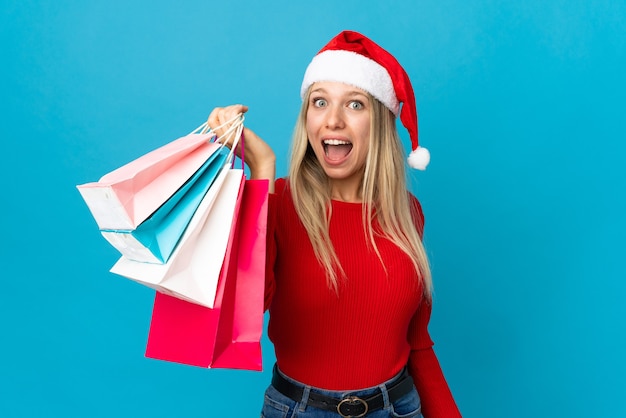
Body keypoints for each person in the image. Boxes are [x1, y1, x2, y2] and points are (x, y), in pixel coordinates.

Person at [208, 30, 461, 418]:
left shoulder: (408, 213)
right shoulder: (276, 203)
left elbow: (418, 343)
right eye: (319, 102)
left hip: (397, 408)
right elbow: (243, 311)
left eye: (355, 104)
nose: (333, 121)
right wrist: (260, 172)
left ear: (379, 121)